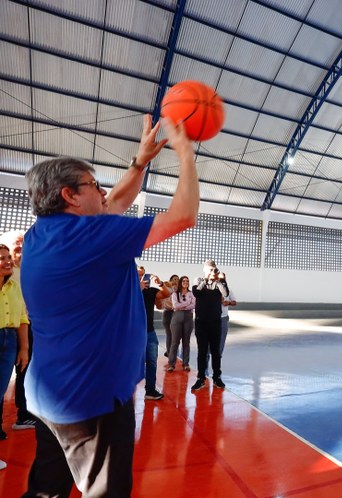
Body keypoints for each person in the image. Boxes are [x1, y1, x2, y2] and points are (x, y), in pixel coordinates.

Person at [21, 114, 199, 496]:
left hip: (49, 394)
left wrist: (140, 163)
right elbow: (184, 216)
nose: (102, 192)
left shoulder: (43, 235)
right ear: (69, 195)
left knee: (46, 490)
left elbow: (115, 201)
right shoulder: (92, 237)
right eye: (92, 185)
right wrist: (185, 154)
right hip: (91, 400)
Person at [1, 230, 36, 432]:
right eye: (17, 244)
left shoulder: (28, 269)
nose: (21, 248)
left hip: (24, 327)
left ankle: (23, 415)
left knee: (24, 371)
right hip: (8, 328)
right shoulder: (8, 272)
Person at [0, 243, 30, 470]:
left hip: (10, 341)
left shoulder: (13, 286)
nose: (7, 260)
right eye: (2, 258)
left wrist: (23, 349)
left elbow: (22, 318)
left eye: (7, 257)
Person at [191, 260, 229, 392]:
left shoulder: (219, 282)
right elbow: (197, 293)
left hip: (215, 322)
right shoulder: (198, 279)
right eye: (210, 269)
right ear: (205, 269)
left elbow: (225, 294)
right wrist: (207, 279)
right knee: (202, 351)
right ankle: (200, 378)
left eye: (214, 269)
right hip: (201, 322)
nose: (212, 271)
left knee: (216, 351)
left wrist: (221, 280)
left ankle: (217, 377)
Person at [138, 267, 170, 400]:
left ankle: (150, 390)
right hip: (132, 334)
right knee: (131, 363)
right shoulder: (127, 290)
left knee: (151, 361)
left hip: (149, 332)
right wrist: (136, 288)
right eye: (138, 274)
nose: (141, 277)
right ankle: (124, 394)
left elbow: (166, 294)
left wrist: (160, 283)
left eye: (143, 274)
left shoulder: (150, 290)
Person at [169, 276, 195, 372]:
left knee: (186, 342)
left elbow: (194, 305)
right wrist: (187, 303)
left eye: (187, 281)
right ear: (180, 282)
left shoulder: (191, 293)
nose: (186, 282)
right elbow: (175, 305)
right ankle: (171, 364)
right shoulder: (175, 294)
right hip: (177, 318)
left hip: (188, 318)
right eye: (184, 281)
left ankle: (186, 364)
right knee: (175, 342)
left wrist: (182, 306)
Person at [159, 274, 179, 357]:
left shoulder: (179, 290)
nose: (176, 281)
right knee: (169, 334)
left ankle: (173, 352)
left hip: (176, 313)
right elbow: (166, 301)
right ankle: (169, 353)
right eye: (174, 279)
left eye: (177, 279)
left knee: (176, 335)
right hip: (168, 313)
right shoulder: (166, 289)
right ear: (170, 280)